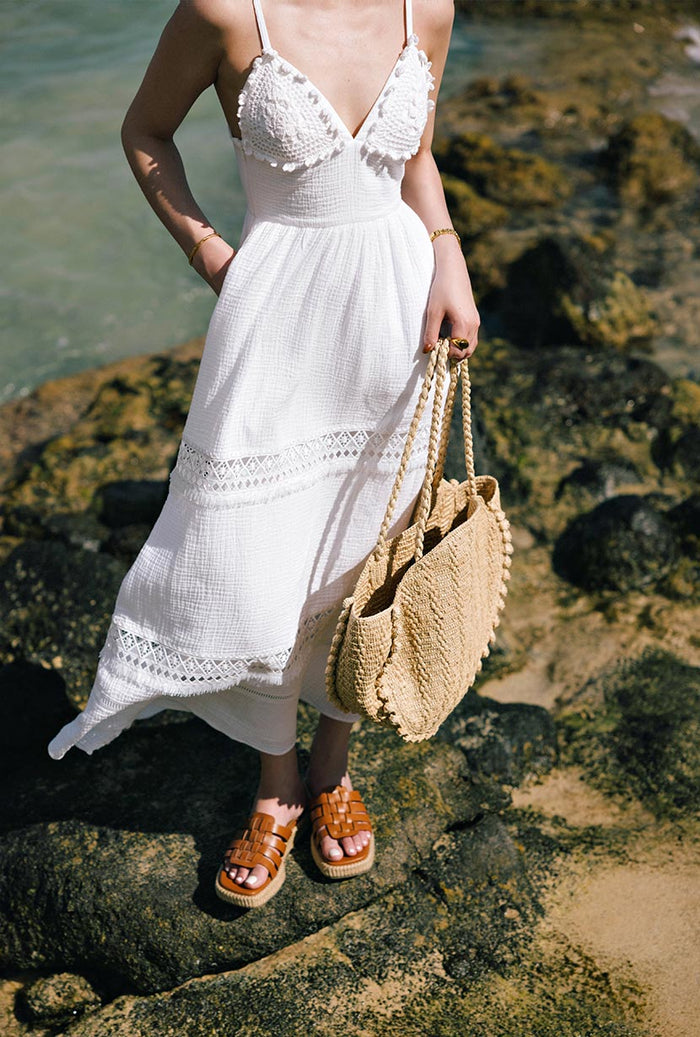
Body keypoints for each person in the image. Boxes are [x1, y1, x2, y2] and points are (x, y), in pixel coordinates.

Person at [48, 0, 480, 908]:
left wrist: (451, 259)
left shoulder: (424, 7)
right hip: (275, 322)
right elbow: (145, 131)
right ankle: (275, 778)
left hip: (397, 315)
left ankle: (331, 766)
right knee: (250, 558)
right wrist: (214, 256)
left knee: (368, 551)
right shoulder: (224, 10)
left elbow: (417, 160)